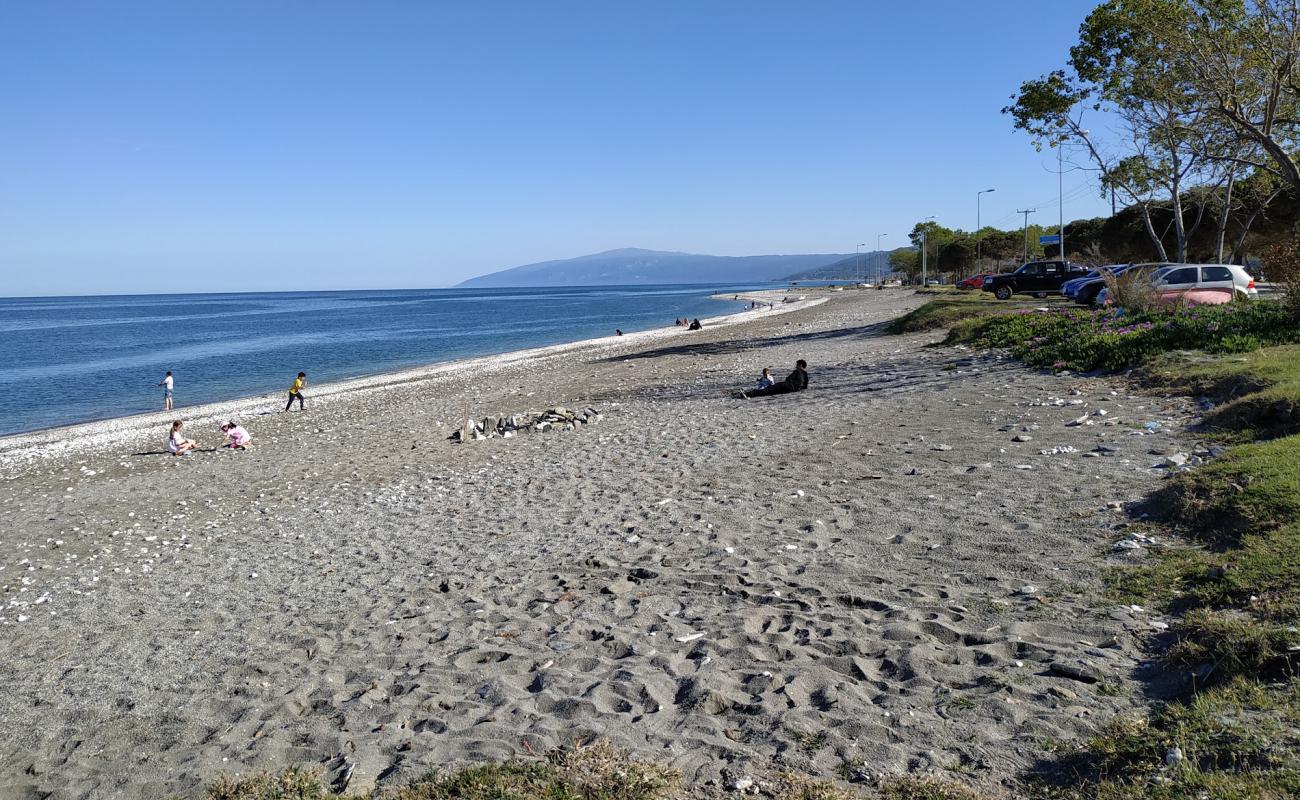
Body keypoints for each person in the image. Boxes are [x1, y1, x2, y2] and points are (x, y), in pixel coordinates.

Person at [741, 359, 808, 398]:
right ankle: (751, 394)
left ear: (800, 365)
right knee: (772, 391)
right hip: (794, 389)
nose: (796, 366)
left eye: (797, 365)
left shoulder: (797, 371)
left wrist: (789, 382)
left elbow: (788, 379)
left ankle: (749, 394)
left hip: (788, 386)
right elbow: (805, 386)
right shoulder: (805, 374)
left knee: (770, 389)